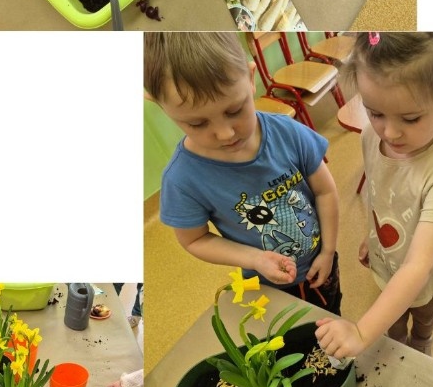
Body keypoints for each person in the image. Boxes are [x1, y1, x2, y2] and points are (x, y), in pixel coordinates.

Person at [144, 32, 342, 311]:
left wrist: (328, 251)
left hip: (322, 261)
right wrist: (255, 259)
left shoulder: (288, 132)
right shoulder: (182, 180)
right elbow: (195, 239)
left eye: (235, 110)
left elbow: (325, 191)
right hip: (266, 285)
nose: (226, 134)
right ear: (158, 104)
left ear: (250, 78)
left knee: (333, 313)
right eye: (198, 124)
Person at [315, 32, 433, 361]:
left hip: (429, 281)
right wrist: (371, 236)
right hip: (386, 262)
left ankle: (421, 345)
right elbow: (380, 195)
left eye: (410, 118)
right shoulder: (371, 137)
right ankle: (398, 350)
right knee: (393, 327)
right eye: (375, 112)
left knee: (423, 322)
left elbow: (419, 265)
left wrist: (361, 332)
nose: (389, 132)